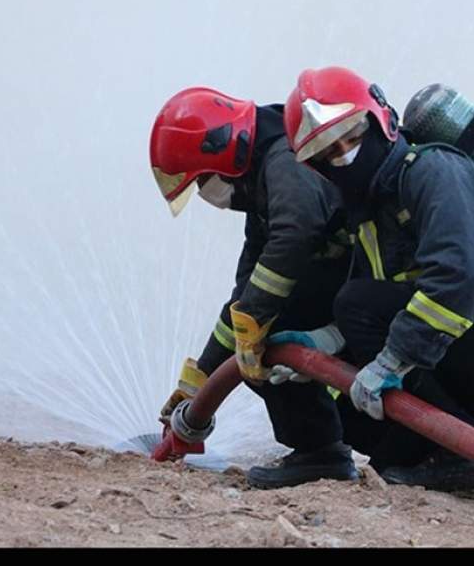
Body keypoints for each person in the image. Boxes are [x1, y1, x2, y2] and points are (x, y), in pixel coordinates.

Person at [279, 66, 474, 491]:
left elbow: (464, 276)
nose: (346, 156)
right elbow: (394, 296)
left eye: (352, 137)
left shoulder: (435, 171)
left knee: (356, 304)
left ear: (382, 121)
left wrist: (393, 360)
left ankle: (460, 456)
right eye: (329, 153)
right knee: (356, 422)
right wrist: (327, 343)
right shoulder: (369, 210)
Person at [150, 86, 357, 488]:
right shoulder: (264, 182)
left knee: (267, 333)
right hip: (354, 290)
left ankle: (320, 453)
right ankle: (331, 447)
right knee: (256, 324)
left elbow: (295, 236)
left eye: (203, 181)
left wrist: (256, 322)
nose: (209, 194)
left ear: (223, 149)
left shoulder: (285, 161)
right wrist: (199, 381)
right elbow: (246, 294)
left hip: (365, 291)